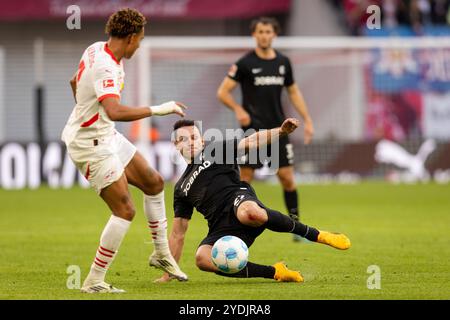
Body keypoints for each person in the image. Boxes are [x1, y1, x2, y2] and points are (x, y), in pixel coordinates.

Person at [61, 8, 188, 293]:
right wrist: (160, 109)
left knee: (154, 182)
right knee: (125, 210)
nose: (141, 45)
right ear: (131, 37)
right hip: (90, 145)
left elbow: (74, 81)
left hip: (104, 134)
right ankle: (94, 280)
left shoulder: (96, 48)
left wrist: (86, 112)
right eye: (140, 39)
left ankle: (161, 255)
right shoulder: (106, 65)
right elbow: (115, 110)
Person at [156, 118, 351, 283]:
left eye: (194, 137)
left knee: (249, 212)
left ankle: (318, 235)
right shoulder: (180, 187)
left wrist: (281, 131)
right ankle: (276, 272)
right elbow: (177, 233)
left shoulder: (216, 150)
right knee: (202, 259)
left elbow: (251, 141)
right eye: (184, 139)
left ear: (202, 139)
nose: (190, 142)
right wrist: (168, 273)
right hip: (220, 227)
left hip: (238, 200)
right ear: (176, 145)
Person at [217, 17, 314, 242]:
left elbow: (294, 92)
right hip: (253, 133)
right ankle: (234, 224)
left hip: (280, 130)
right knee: (244, 179)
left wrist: (307, 119)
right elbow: (222, 92)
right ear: (254, 35)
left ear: (274, 35)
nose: (264, 35)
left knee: (287, 179)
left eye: (268, 31)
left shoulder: (283, 62)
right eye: (260, 31)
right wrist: (238, 110)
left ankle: (296, 226)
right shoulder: (244, 64)